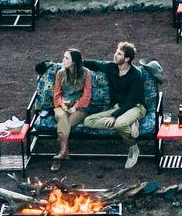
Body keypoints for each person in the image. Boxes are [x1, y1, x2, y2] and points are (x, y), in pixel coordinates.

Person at [83, 41, 146, 169]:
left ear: (127, 59)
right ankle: (130, 123)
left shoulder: (136, 74)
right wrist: (77, 61)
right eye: (116, 52)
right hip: (119, 107)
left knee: (119, 124)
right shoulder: (112, 67)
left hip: (136, 107)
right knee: (88, 121)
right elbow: (95, 64)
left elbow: (132, 101)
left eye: (119, 54)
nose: (115, 55)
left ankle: (133, 146)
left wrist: (114, 116)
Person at [50, 48, 92, 171]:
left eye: (66, 58)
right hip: (62, 106)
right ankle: (63, 152)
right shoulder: (60, 73)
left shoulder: (86, 73)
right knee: (62, 118)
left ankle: (61, 153)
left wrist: (75, 107)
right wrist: (62, 104)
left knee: (64, 124)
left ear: (74, 62)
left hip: (80, 108)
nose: (63, 60)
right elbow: (56, 94)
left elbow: (86, 96)